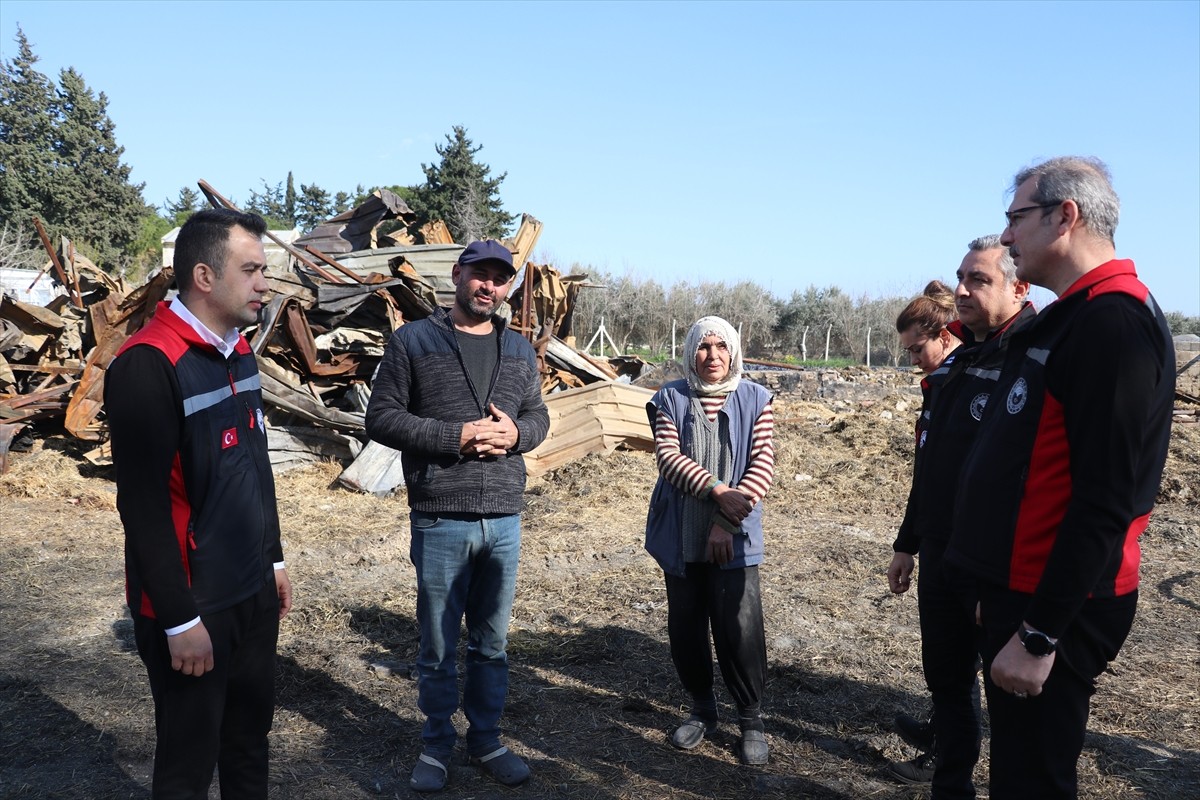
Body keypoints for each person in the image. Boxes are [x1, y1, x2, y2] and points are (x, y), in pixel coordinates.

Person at [948, 157, 1174, 799]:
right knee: (1018, 771)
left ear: (1064, 216)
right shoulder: (1077, 315)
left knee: (1032, 782)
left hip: (1059, 605)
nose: (1009, 237)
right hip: (1024, 587)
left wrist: (1041, 631)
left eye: (1016, 218)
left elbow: (1107, 498)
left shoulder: (1113, 323)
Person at [105, 208, 293, 799]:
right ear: (205, 277)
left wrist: (276, 560)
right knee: (187, 768)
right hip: (195, 607)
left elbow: (255, 469)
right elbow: (142, 508)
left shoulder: (239, 350)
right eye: (252, 269)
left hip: (252, 593)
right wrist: (180, 619)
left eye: (265, 269)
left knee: (248, 746)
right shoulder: (148, 364)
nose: (265, 282)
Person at [365, 239, 550, 792]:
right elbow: (381, 418)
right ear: (456, 275)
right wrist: (456, 436)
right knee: (439, 643)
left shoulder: (519, 350)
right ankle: (436, 743)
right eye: (479, 274)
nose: (488, 285)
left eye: (499, 277)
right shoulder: (414, 340)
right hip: (441, 515)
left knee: (491, 643)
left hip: (504, 518)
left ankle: (486, 739)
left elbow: (538, 416)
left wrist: (517, 435)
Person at [887, 238, 1036, 797]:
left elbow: (1015, 486)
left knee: (997, 693)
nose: (963, 291)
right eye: (961, 279)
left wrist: (988, 573)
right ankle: (950, 786)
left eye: (979, 279)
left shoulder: (1025, 363)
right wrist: (909, 542)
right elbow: (931, 471)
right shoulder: (955, 373)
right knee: (946, 679)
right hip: (942, 554)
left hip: (988, 566)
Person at [645, 316, 776, 766]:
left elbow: (762, 465)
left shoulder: (755, 398)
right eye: (704, 347)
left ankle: (752, 719)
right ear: (690, 352)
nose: (713, 356)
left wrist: (725, 519)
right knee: (686, 625)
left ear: (735, 351)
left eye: (722, 346)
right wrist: (718, 490)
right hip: (681, 533)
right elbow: (668, 458)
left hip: (734, 533)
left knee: (739, 626)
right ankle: (702, 709)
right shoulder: (670, 397)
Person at [887, 279, 961, 783]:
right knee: (942, 655)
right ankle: (940, 732)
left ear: (944, 334)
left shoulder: (968, 386)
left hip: (964, 545)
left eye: (917, 348)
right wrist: (906, 544)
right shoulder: (938, 386)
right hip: (936, 540)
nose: (912, 358)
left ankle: (946, 759)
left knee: (957, 661)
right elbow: (926, 477)